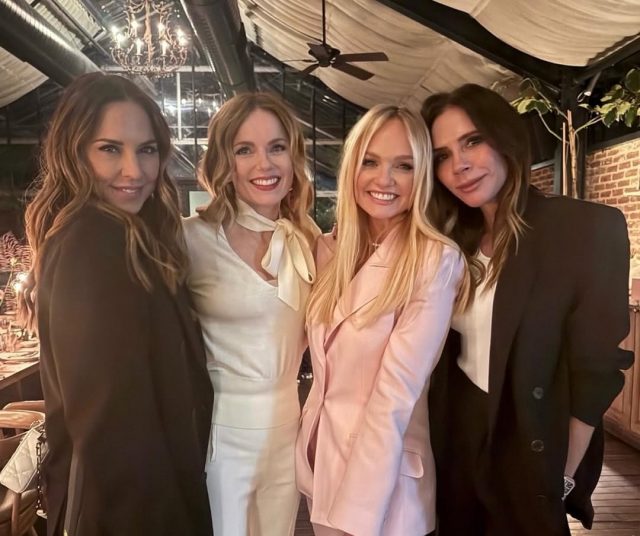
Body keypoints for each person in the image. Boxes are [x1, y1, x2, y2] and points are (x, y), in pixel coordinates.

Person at [421, 84, 633, 536]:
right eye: (442, 155)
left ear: (506, 138)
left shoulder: (584, 228)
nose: (459, 165)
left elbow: (598, 369)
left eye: (472, 141)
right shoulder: (449, 241)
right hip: (456, 443)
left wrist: (563, 475)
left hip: (530, 446)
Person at [22, 73, 213, 536]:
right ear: (75, 153)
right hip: (134, 511)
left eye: (147, 150)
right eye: (110, 149)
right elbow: (110, 426)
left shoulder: (129, 237)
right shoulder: (93, 243)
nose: (134, 170)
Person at [296, 104, 468, 536]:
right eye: (370, 161)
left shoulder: (435, 259)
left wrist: (356, 516)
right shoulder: (329, 250)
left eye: (403, 166)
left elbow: (396, 395)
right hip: (321, 469)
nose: (384, 179)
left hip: (383, 489)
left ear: (421, 175)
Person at [183, 92, 318, 536]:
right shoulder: (191, 239)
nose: (265, 164)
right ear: (225, 162)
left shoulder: (308, 240)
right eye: (245, 150)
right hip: (222, 437)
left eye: (277, 147)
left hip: (289, 430)